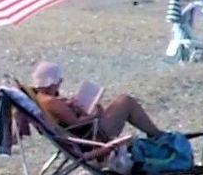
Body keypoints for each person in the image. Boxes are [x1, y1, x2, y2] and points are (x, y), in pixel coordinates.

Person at [25, 60, 162, 141]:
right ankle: (156, 135)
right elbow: (76, 123)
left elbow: (65, 119)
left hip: (85, 134)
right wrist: (96, 115)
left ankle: (154, 134)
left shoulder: (41, 99)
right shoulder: (51, 102)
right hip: (94, 136)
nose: (60, 84)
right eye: (59, 81)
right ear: (52, 82)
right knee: (125, 101)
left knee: (121, 101)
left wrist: (69, 105)